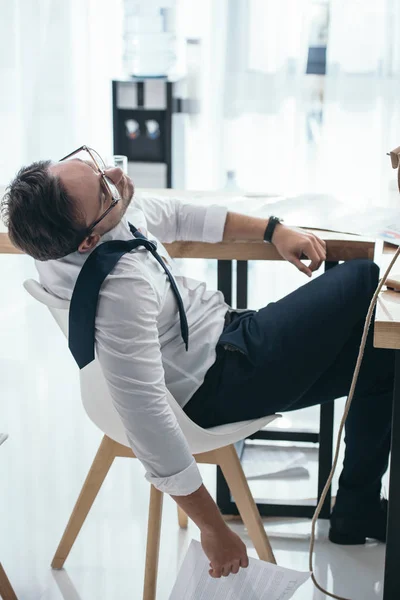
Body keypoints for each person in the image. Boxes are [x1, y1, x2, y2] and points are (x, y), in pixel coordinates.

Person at [1, 147, 393, 578]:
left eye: (92, 163)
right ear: (88, 240)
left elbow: (180, 215)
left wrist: (272, 229)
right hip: (217, 383)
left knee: (383, 364)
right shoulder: (118, 294)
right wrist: (211, 527)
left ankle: (356, 512)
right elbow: (147, 416)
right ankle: (356, 507)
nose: (114, 173)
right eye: (104, 188)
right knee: (360, 277)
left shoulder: (83, 227)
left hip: (217, 340)